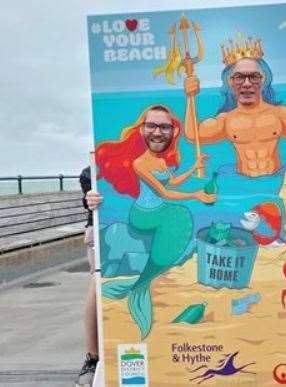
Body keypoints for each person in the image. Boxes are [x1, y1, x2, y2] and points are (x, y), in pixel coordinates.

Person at [91, 104, 216, 339]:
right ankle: (141, 282)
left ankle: (139, 284)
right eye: (151, 125)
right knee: (179, 215)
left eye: (164, 126)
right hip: (143, 214)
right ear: (141, 130)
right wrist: (197, 195)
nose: (157, 132)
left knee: (178, 217)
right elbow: (164, 193)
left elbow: (173, 182)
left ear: (173, 131)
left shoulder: (161, 160)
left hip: (159, 209)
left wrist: (194, 168)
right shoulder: (140, 163)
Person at [183, 36, 286, 177]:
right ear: (230, 82)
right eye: (239, 77)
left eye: (254, 77)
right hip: (243, 183)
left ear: (264, 80)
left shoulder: (279, 114)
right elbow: (193, 136)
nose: (247, 83)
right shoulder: (227, 120)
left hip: (276, 181)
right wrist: (190, 98)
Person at [75, 166, 99, 387]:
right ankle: (92, 357)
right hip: (101, 230)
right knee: (98, 284)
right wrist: (89, 197)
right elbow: (88, 195)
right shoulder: (91, 171)